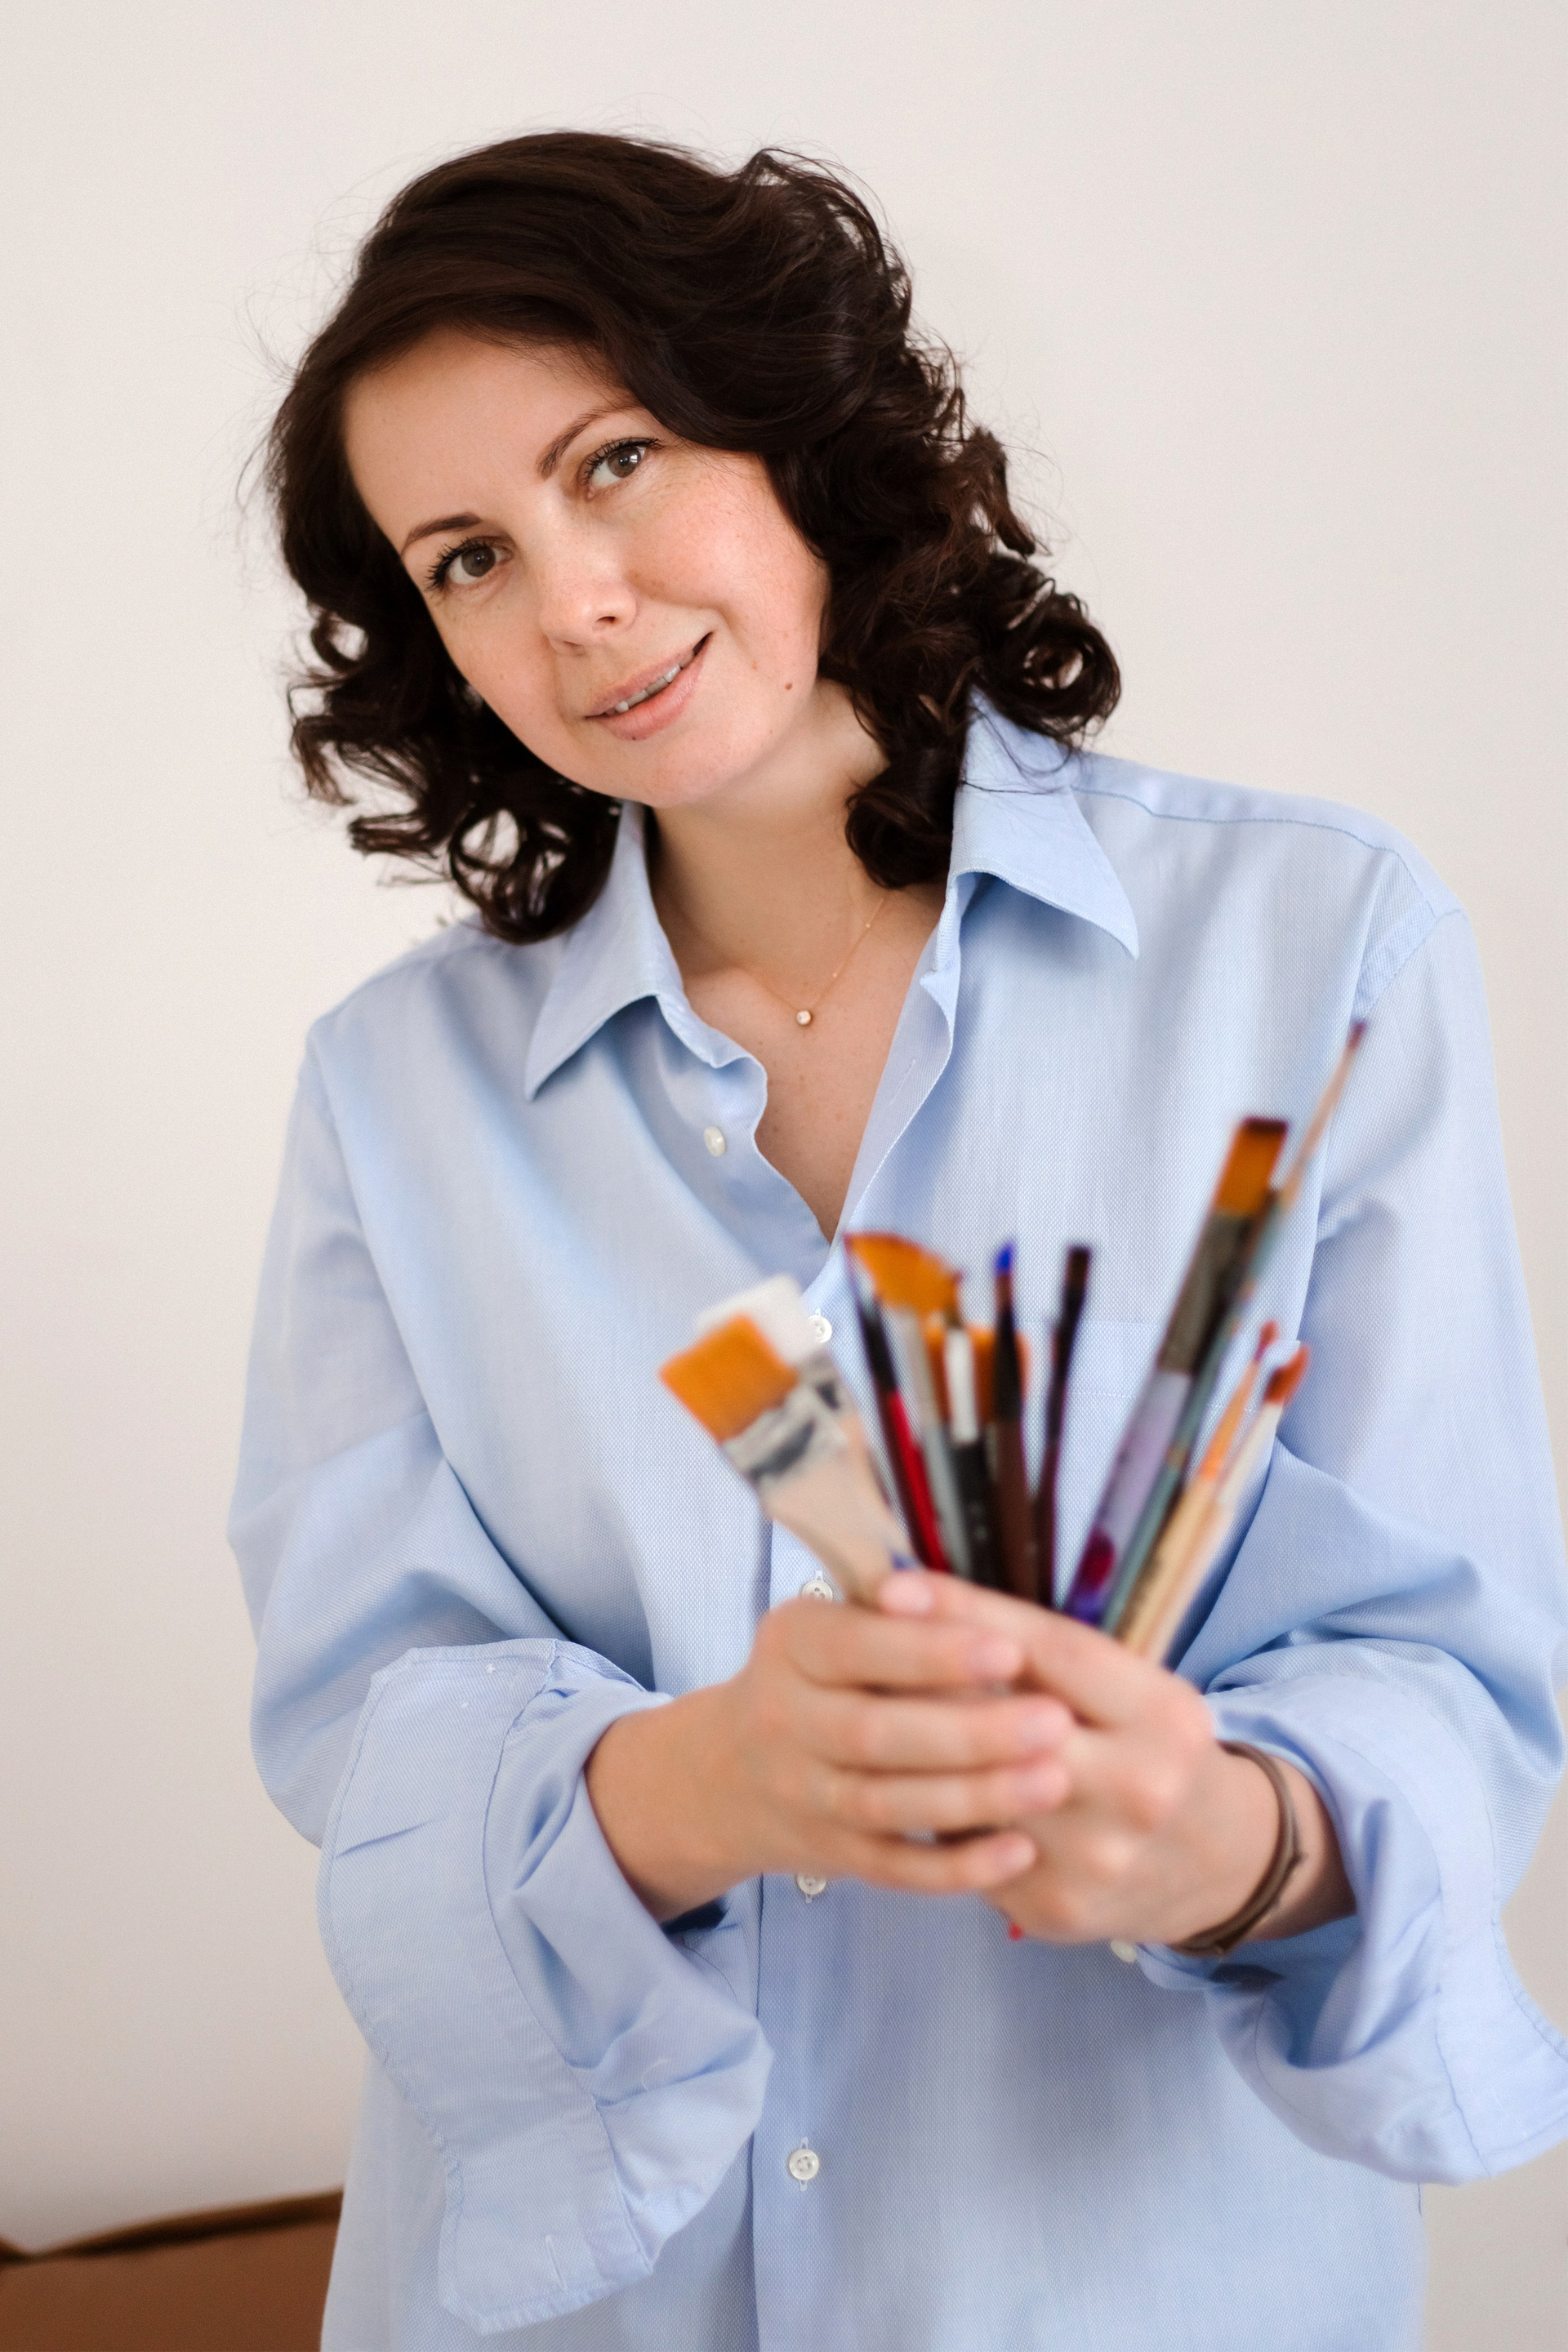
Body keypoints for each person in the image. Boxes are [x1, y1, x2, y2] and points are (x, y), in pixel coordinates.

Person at [231, 132, 1568, 2352]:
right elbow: (373, 1740)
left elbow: (1445, 1663)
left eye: (616, 461)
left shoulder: (1316, 950)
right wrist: (697, 1785)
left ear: (795, 425)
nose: (573, 602)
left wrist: (1227, 1841)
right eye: (467, 558)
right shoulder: (396, 1092)